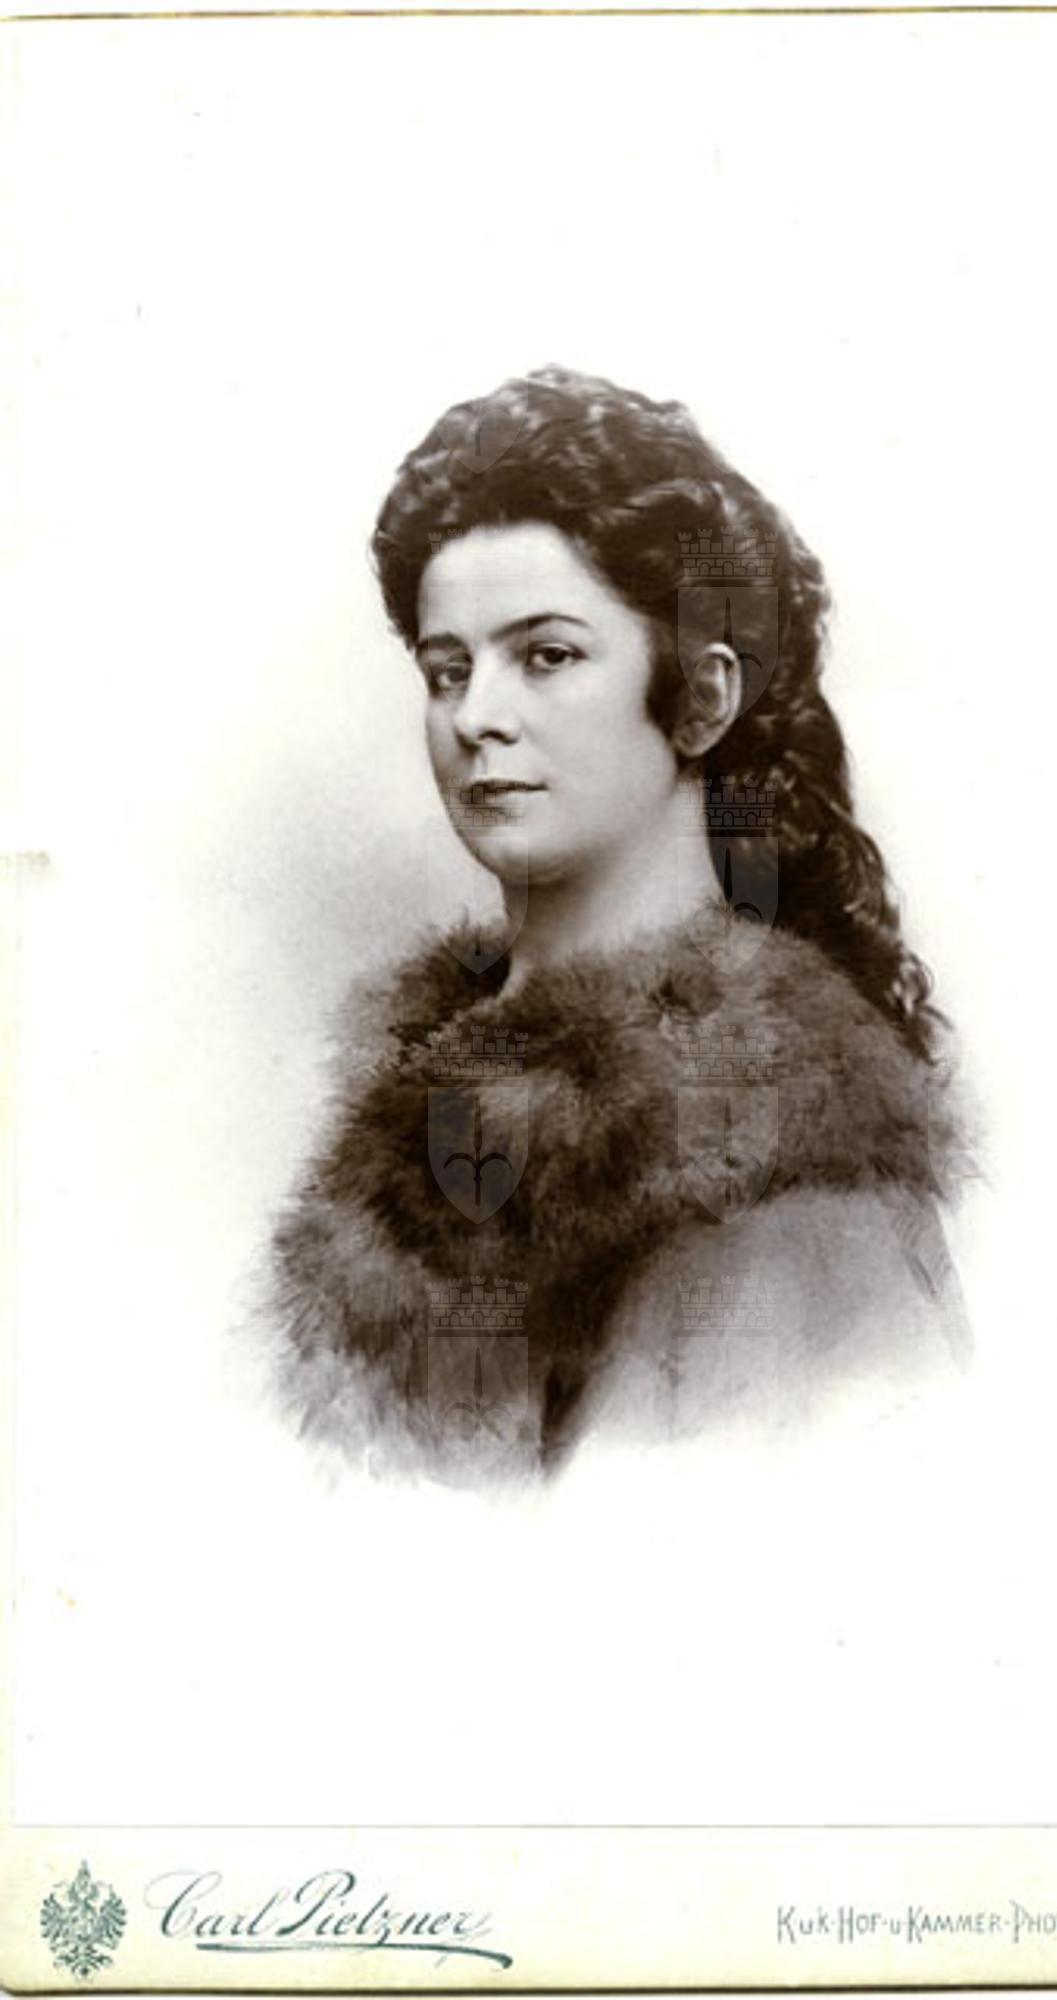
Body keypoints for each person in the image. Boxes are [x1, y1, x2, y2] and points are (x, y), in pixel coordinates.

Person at [265, 366, 973, 1483]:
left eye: (546, 656)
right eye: (447, 670)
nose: (476, 717)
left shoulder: (777, 1167)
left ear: (703, 698)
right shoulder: (434, 1085)